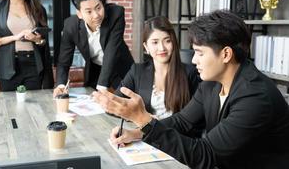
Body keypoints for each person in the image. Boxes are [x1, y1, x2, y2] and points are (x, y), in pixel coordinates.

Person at [93, 10, 289, 169]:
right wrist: (137, 132)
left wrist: (142, 118)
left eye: (200, 53)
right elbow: (182, 121)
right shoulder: (212, 82)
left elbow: (206, 155)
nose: (194, 60)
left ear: (226, 54)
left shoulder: (255, 96)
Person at [53, 0, 134, 97]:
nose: (96, 15)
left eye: (98, 8)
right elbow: (64, 60)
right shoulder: (70, 26)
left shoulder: (116, 14)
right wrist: (61, 85)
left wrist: (101, 88)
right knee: (92, 105)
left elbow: (112, 51)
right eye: (89, 11)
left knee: (127, 102)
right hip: (95, 70)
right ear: (79, 14)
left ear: (102, 3)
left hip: (120, 67)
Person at [116, 16, 200, 120]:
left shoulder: (189, 73)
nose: (162, 48)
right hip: (143, 132)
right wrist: (136, 116)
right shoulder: (137, 71)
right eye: (155, 42)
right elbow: (116, 103)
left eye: (167, 41)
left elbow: (195, 117)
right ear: (146, 47)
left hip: (175, 134)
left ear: (173, 42)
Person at [0, 0, 53, 91]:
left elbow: (43, 43)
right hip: (7, 67)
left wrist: (37, 39)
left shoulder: (38, 9)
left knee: (34, 106)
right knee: (10, 106)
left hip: (33, 64)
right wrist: (15, 37)